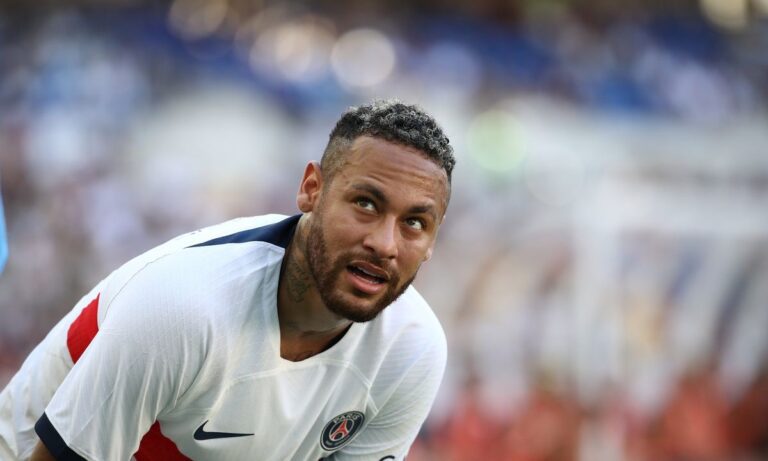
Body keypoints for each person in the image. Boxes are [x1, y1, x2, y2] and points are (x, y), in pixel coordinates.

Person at [0, 100, 455, 461]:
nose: (385, 243)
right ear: (311, 190)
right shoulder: (184, 308)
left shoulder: (411, 350)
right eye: (366, 204)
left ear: (433, 240)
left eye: (415, 222)